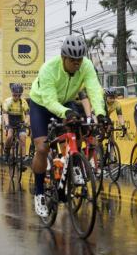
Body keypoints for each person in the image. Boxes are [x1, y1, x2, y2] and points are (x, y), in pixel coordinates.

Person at [29, 35, 106, 217]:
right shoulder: (49, 69)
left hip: (67, 101)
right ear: (64, 57)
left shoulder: (86, 66)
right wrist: (65, 113)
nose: (77, 64)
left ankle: (74, 162)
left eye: (79, 59)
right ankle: (39, 192)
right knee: (42, 148)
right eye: (73, 60)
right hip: (41, 104)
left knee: (78, 126)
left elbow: (94, 89)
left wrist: (100, 113)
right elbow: (49, 100)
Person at [2, 83, 30, 162]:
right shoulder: (7, 101)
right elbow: (5, 114)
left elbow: (27, 115)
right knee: (10, 136)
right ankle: (6, 151)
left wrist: (25, 123)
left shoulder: (23, 102)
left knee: (23, 137)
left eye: (19, 95)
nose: (17, 97)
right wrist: (7, 124)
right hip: (10, 121)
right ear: (12, 93)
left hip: (19, 121)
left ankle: (23, 159)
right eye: (15, 95)